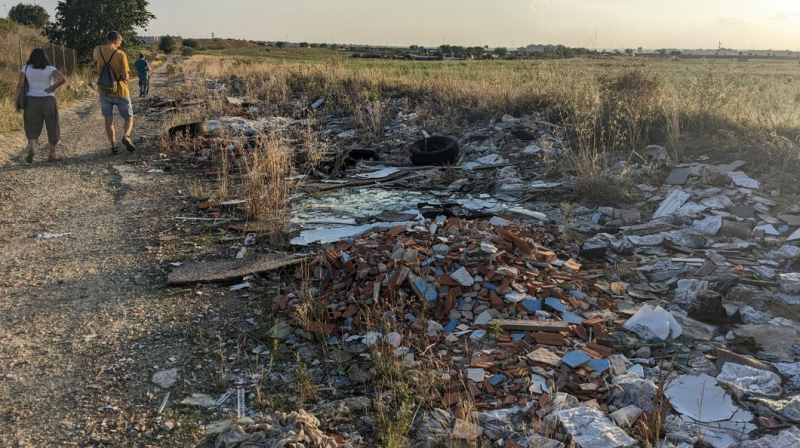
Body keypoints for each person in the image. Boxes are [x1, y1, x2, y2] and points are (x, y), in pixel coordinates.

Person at [14, 48, 67, 164]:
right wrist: (52, 88)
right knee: (52, 125)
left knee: (32, 125)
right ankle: (52, 154)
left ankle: (32, 147)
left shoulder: (26, 68)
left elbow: (20, 86)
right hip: (48, 99)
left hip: (31, 100)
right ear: (45, 57)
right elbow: (62, 79)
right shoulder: (50, 69)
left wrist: (16, 101)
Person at [93, 30, 136, 154]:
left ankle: (113, 147)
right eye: (120, 42)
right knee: (129, 118)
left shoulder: (98, 50)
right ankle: (126, 136)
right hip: (121, 91)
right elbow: (125, 76)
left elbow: (97, 63)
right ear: (117, 40)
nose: (120, 44)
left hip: (104, 90)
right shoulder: (121, 54)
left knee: (108, 121)